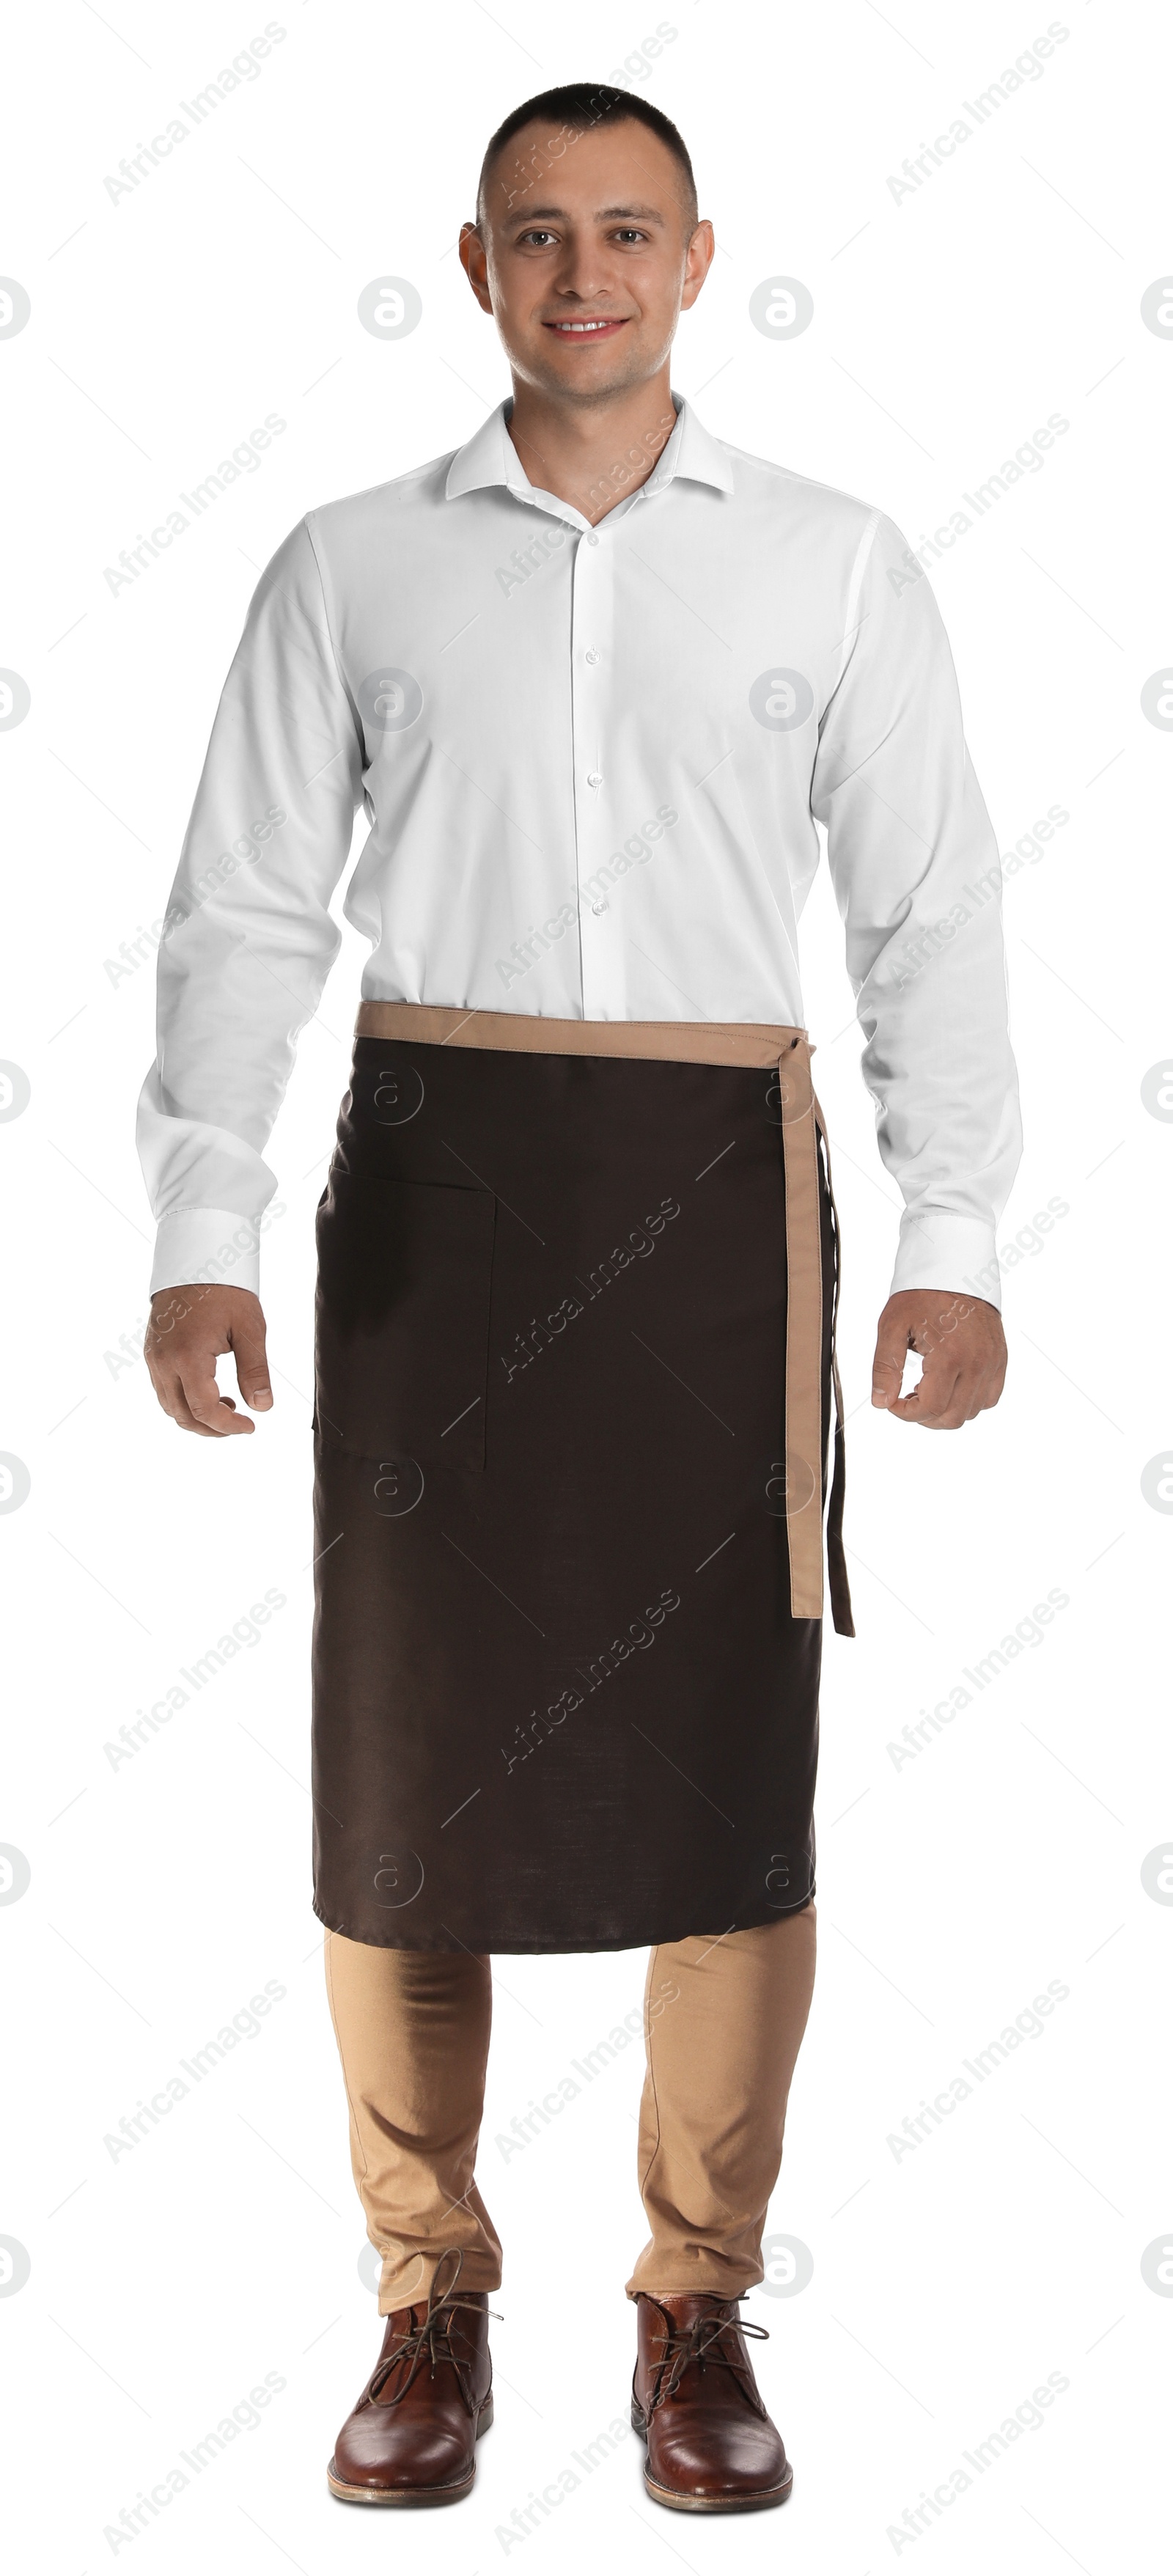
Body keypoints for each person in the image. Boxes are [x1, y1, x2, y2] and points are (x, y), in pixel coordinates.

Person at [140, 83, 1020, 2516]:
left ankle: (697, 2298)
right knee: (403, 1779)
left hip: (728, 1203)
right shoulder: (350, 564)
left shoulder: (836, 564)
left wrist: (951, 1233)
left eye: (628, 231)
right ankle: (427, 2292)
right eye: (541, 236)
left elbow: (933, 913)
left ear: (699, 257)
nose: (586, 273)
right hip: (438, 1203)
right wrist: (201, 1223)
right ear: (479, 260)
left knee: (731, 1785)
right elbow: (243, 911)